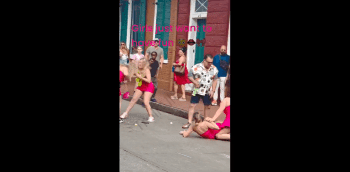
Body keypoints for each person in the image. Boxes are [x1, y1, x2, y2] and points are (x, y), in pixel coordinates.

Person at [182, 54, 218, 129]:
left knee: (207, 106)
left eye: (211, 62)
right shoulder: (196, 67)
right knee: (192, 105)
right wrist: (194, 82)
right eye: (208, 62)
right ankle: (189, 122)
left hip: (207, 90)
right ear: (204, 60)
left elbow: (215, 80)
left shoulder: (214, 69)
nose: (210, 64)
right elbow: (189, 76)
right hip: (196, 89)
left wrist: (213, 91)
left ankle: (205, 122)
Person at [120, 58, 155, 122]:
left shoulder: (146, 70)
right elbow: (134, 77)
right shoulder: (137, 69)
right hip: (141, 85)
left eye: (141, 63)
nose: (140, 64)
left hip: (148, 86)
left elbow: (149, 80)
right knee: (134, 99)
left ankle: (151, 116)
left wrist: (140, 76)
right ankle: (126, 113)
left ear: (144, 64)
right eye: (139, 62)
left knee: (146, 102)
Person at [205, 74, 230, 140]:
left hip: (229, 123)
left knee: (218, 135)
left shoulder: (226, 100)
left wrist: (212, 119)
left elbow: (219, 111)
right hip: (228, 122)